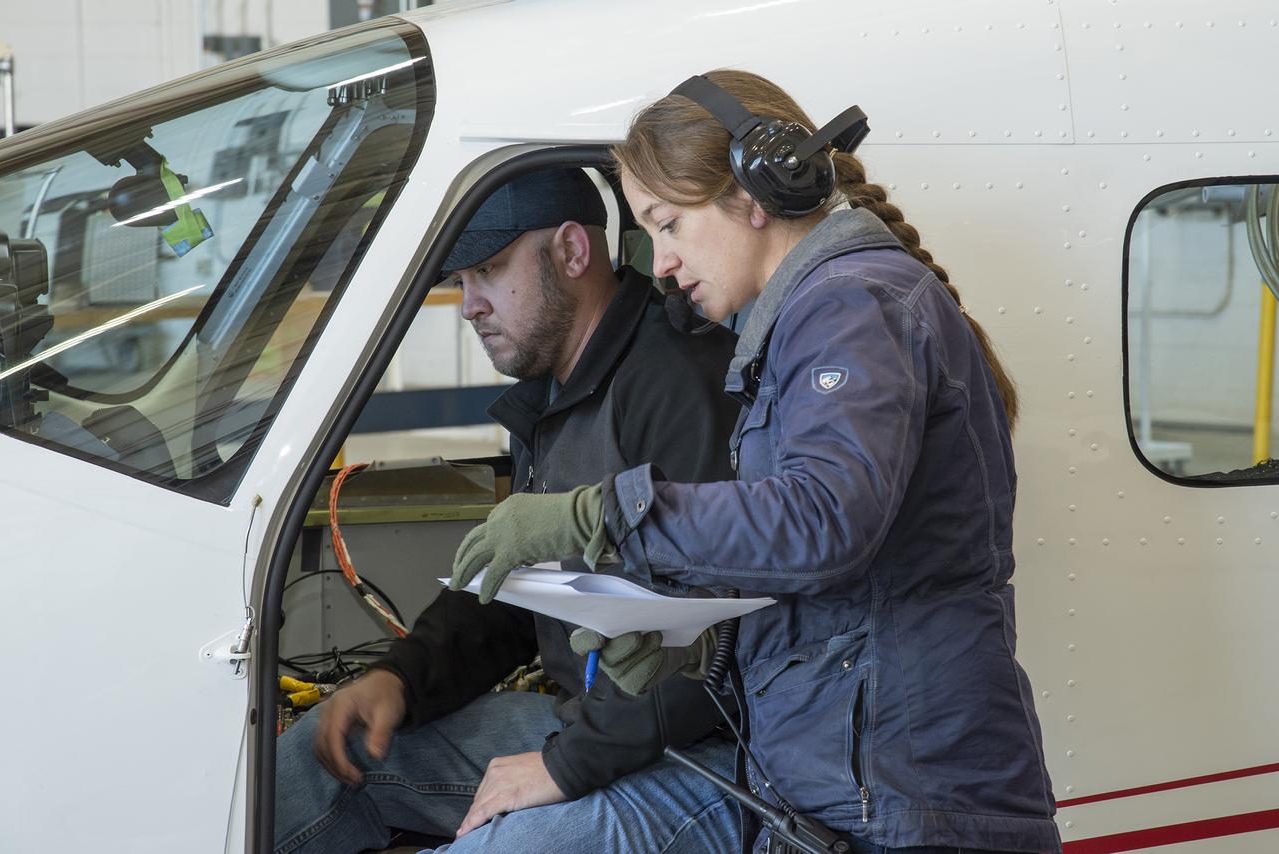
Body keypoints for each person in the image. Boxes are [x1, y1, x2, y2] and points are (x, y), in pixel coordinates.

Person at [449, 72, 1063, 854]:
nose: (662, 263)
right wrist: (700, 649)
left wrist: (600, 514)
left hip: (910, 798)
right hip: (844, 793)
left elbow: (823, 520)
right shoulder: (807, 320)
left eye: (669, 225)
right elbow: (840, 584)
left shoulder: (849, 307)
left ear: (755, 191)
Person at [274, 168, 746, 853]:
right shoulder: (550, 395)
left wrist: (562, 767)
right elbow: (514, 588)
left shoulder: (677, 386)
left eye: (490, 270)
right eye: (460, 282)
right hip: (587, 726)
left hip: (702, 760)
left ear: (572, 252)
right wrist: (399, 679)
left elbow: (717, 651)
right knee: (317, 756)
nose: (470, 306)